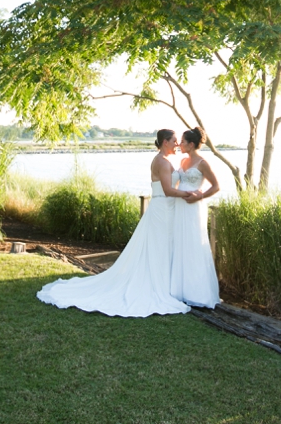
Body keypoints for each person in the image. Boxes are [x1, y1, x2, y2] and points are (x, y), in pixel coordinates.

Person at [36, 129, 193, 317]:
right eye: (174, 140)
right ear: (165, 142)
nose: (177, 144)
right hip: (162, 209)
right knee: (159, 246)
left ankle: (165, 284)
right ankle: (157, 286)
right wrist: (189, 194)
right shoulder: (162, 162)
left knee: (160, 246)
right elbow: (168, 190)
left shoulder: (163, 160)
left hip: (165, 209)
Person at [170, 127, 221, 308]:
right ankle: (179, 289)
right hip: (179, 206)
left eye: (183, 142)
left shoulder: (202, 163)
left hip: (193, 207)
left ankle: (197, 292)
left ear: (191, 145)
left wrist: (200, 196)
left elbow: (216, 186)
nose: (180, 144)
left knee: (192, 244)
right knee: (180, 243)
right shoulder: (183, 160)